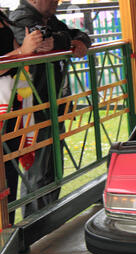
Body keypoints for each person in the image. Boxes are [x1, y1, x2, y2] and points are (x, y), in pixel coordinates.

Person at [9, 0, 91, 217]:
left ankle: (44, 222)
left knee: (52, 169)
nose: (57, 1)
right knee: (37, 171)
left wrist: (75, 41)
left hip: (50, 104)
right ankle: (33, 226)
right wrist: (65, 41)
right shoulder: (21, 19)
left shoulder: (48, 20)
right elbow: (42, 42)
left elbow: (77, 34)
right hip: (33, 107)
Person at [0, 9, 42, 224]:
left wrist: (29, 48)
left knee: (10, 167)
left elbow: (14, 50)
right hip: (3, 104)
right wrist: (21, 52)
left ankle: (8, 228)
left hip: (13, 104)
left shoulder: (3, 17)